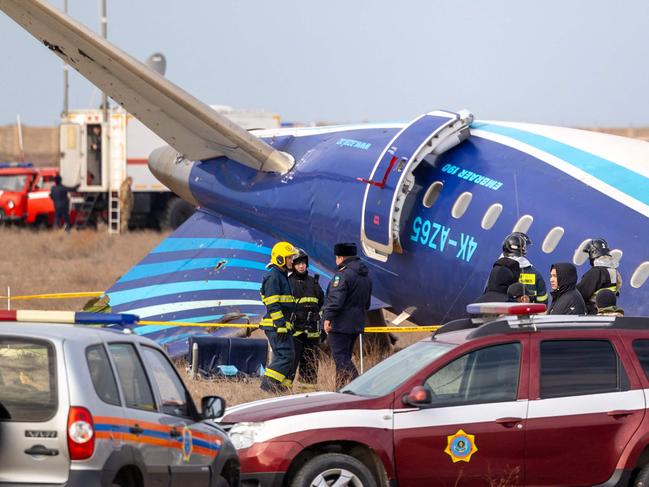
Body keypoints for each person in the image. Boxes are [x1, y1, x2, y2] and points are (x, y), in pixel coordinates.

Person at [323, 242, 372, 388]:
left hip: (340, 325)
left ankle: (361, 386)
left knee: (342, 360)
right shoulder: (365, 276)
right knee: (344, 360)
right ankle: (341, 391)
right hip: (356, 324)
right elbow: (367, 303)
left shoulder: (343, 275)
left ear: (340, 257)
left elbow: (335, 300)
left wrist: (328, 318)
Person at [259, 241, 298, 392]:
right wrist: (281, 325)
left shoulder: (282, 276)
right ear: (280, 258)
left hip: (281, 326)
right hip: (276, 326)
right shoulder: (274, 276)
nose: (291, 261)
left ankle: (281, 390)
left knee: (289, 356)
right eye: (288, 258)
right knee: (285, 356)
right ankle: (267, 387)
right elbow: (273, 303)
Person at [288, 249, 325, 387]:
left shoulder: (314, 283)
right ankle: (283, 394)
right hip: (295, 333)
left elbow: (322, 303)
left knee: (310, 365)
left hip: (312, 334)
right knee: (291, 365)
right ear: (293, 265)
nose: (301, 266)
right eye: (298, 263)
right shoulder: (288, 282)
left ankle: (307, 393)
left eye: (303, 263)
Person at [577, 238, 622, 315]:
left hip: (593, 313)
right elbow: (616, 293)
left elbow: (579, 294)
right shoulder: (615, 272)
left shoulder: (595, 272)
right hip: (607, 312)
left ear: (593, 254)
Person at [502, 232, 548, 304]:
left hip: (504, 313)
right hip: (528, 314)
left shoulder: (498, 271)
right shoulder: (535, 274)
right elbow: (543, 303)